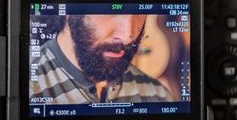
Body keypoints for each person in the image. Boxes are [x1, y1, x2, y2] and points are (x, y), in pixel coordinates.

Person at [30, 14, 173, 104]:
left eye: (139, 12)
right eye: (111, 11)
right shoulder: (28, 92)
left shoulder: (158, 96)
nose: (128, 36)